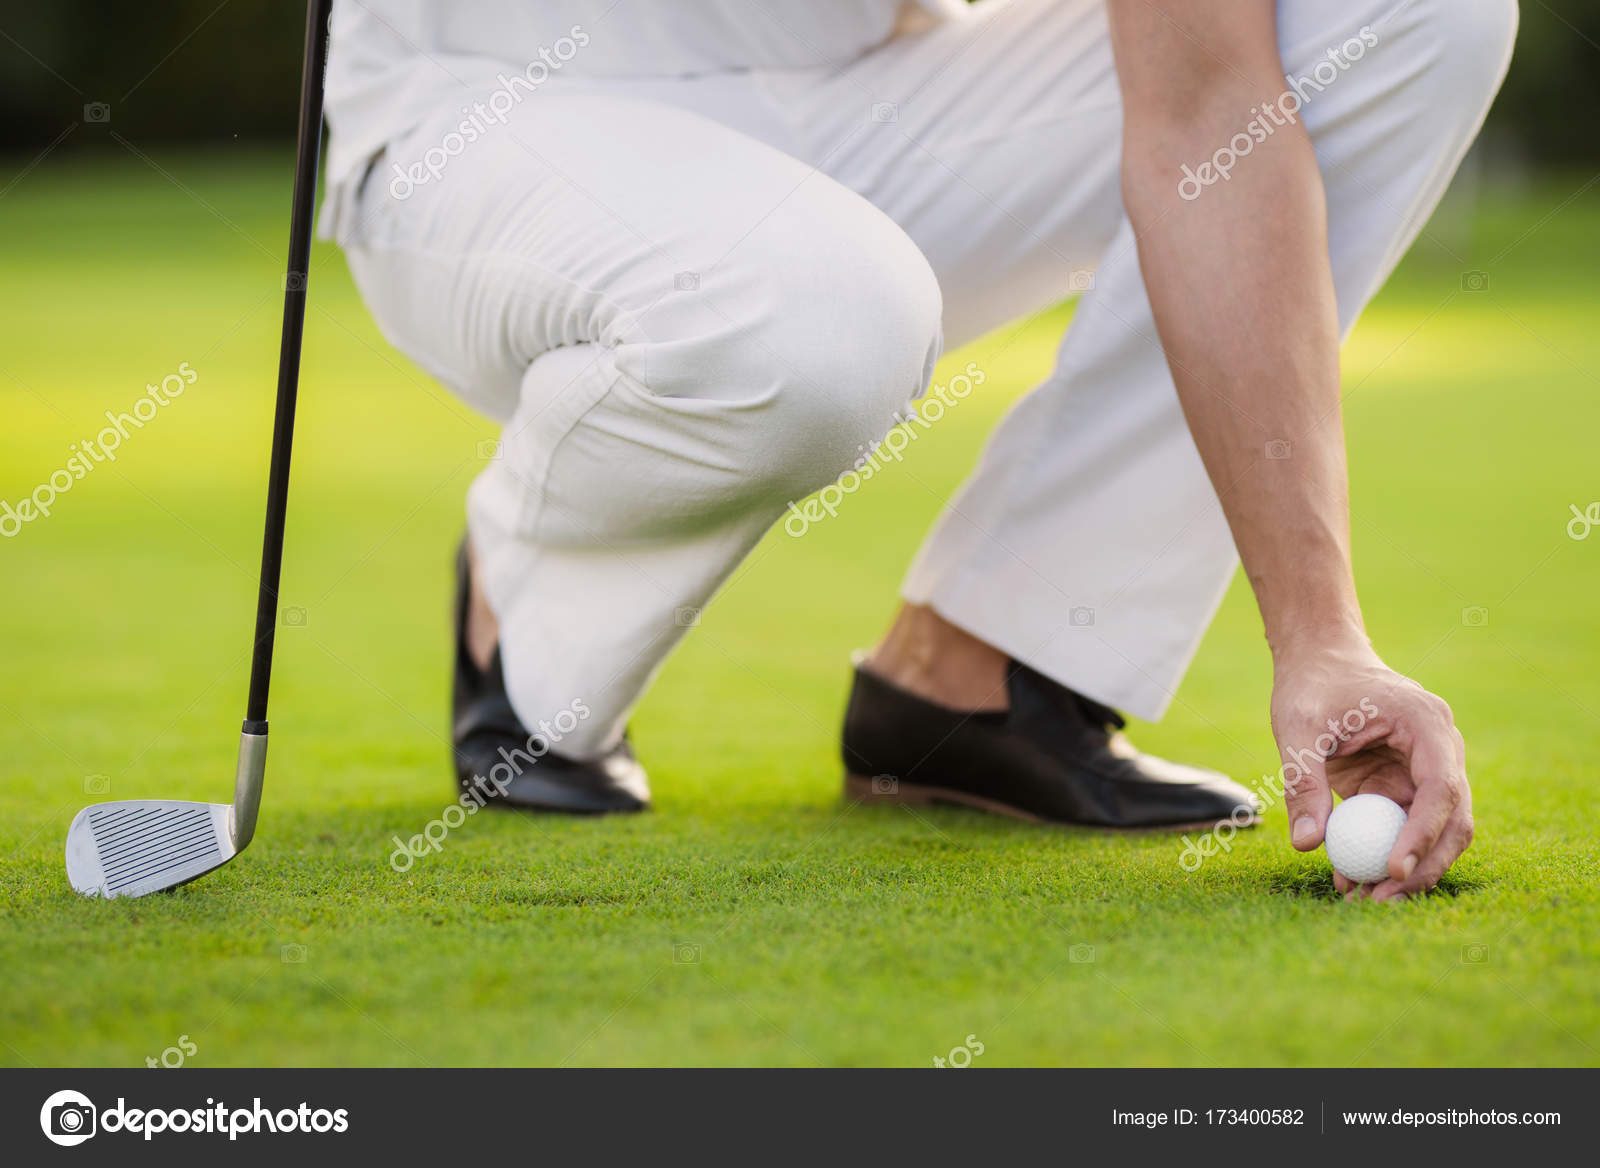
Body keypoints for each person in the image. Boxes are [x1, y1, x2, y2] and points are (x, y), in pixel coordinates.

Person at [320, 0, 1514, 900]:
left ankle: (990, 665)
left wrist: (1321, 638)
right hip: (484, 112)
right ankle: (527, 574)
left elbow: (1208, 105)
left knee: (1414, 12)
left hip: (872, 98)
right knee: (823, 320)